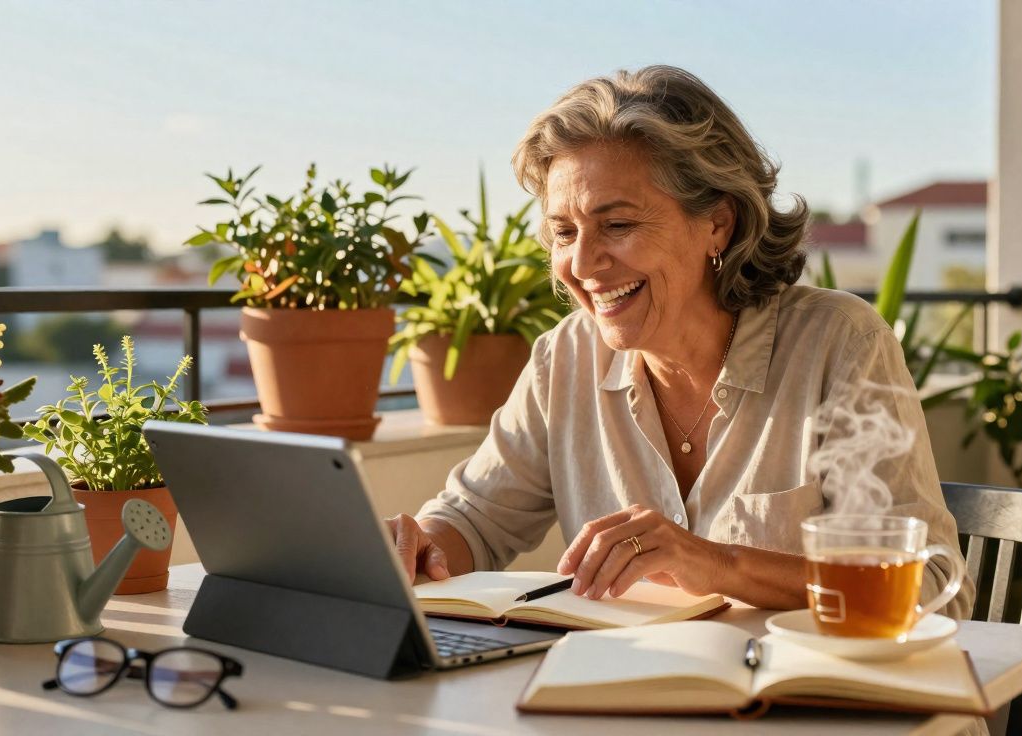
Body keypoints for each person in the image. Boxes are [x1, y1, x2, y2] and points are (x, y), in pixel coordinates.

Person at [387, 65, 973, 617]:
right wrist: (417, 548)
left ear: (718, 222)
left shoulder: (839, 344)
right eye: (564, 232)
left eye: (618, 225)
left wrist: (717, 563)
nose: (583, 262)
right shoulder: (563, 358)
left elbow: (932, 588)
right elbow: (475, 519)